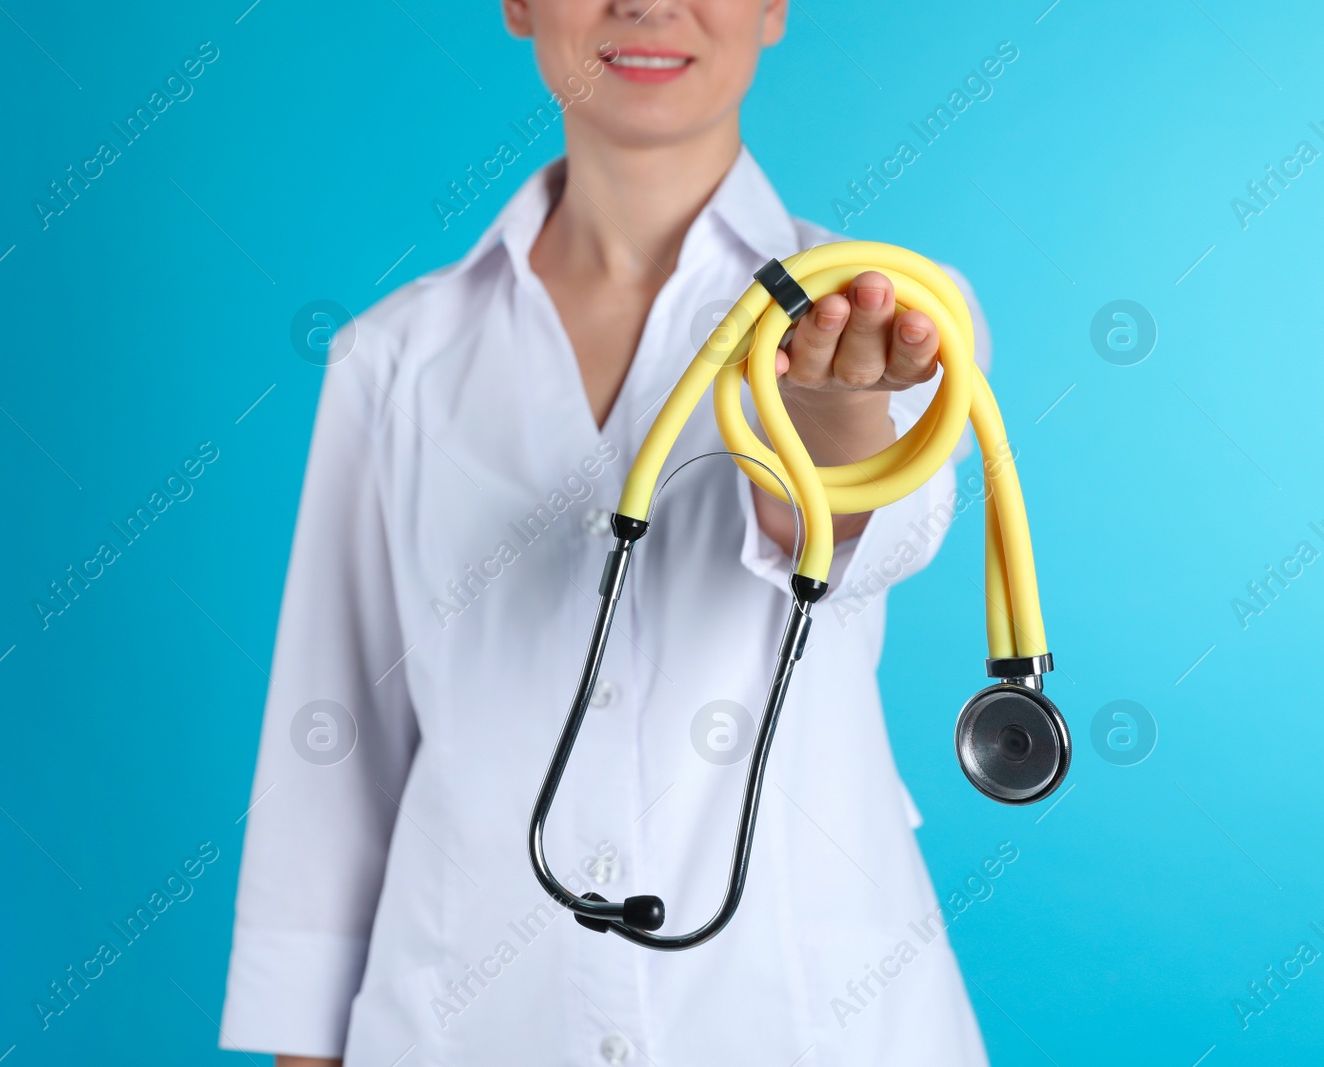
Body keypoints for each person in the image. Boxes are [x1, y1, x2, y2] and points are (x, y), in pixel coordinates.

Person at [220, 0, 995, 1063]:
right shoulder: (393, 358)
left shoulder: (889, 314)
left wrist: (834, 413)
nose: (645, 3)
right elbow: (333, 748)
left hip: (802, 1018)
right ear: (519, 4)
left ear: (772, 7)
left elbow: (864, 532)